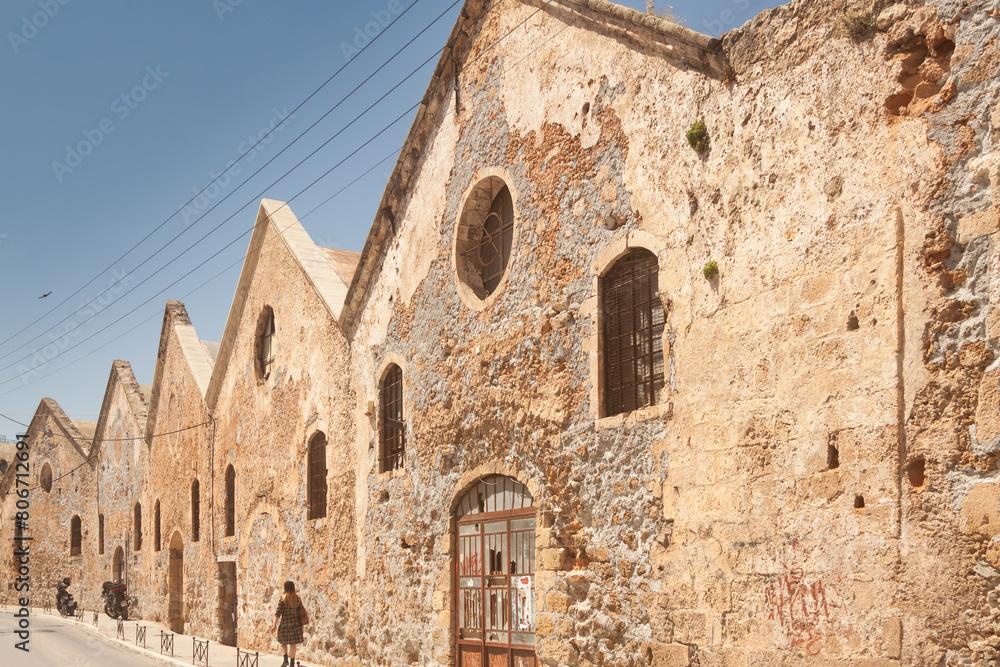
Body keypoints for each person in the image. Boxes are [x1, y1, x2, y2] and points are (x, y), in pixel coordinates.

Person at [270, 580, 305, 667]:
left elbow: (278, 613)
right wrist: (302, 625)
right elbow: (301, 613)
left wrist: (274, 625)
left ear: (285, 588)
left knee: (283, 642)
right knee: (293, 644)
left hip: (285, 625)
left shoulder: (283, 599)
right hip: (295, 625)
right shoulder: (298, 599)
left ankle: (285, 659)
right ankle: (292, 663)